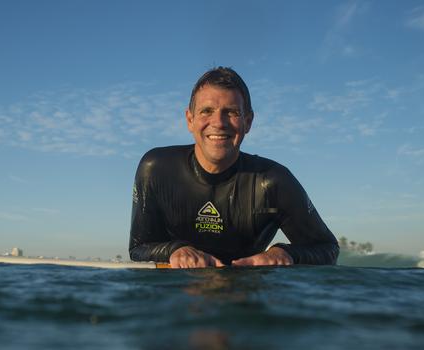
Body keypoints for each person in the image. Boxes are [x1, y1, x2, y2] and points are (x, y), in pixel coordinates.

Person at [129, 67, 338, 268]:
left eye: (231, 112)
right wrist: (175, 250)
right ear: (190, 120)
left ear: (248, 122)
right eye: (206, 111)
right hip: (177, 295)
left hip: (243, 296)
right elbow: (139, 249)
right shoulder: (157, 169)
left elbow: (328, 249)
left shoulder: (273, 182)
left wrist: (285, 253)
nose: (218, 122)